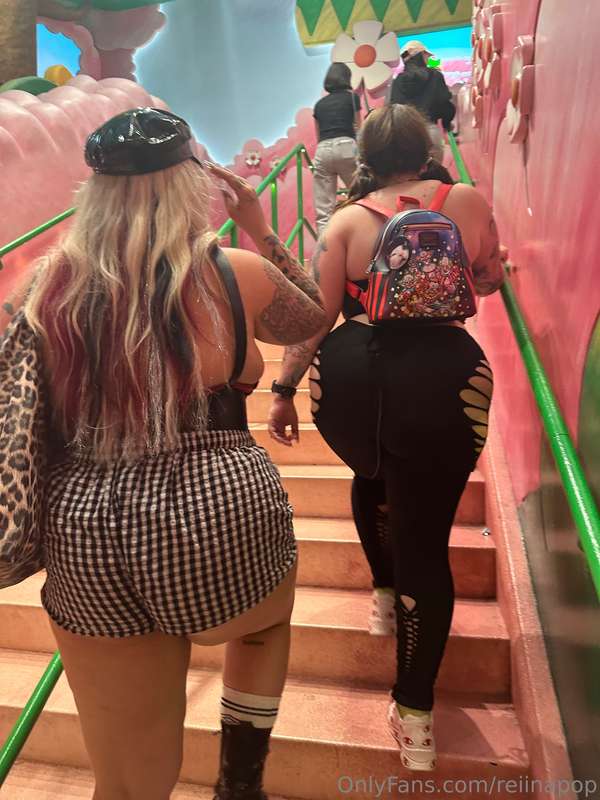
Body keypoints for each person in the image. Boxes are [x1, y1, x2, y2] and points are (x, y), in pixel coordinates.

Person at [24, 108, 326, 800]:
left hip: (86, 529)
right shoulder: (235, 273)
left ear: (94, 193)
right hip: (217, 508)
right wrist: (257, 225)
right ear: (192, 182)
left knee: (128, 783)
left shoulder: (46, 289)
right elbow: (312, 316)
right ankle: (239, 783)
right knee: (263, 623)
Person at [267, 104, 504, 772]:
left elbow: (316, 316)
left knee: (371, 472)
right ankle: (416, 715)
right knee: (427, 546)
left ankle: (381, 594)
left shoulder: (344, 221)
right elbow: (487, 277)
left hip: (354, 376)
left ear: (365, 157)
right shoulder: (466, 201)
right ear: (427, 149)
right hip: (448, 376)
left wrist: (284, 387)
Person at [312, 62, 361, 234]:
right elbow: (359, 128)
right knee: (360, 196)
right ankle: (360, 237)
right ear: (347, 78)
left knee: (324, 209)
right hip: (346, 146)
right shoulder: (352, 98)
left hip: (323, 149)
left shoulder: (319, 104)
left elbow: (318, 135)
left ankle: (324, 247)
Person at [389, 40, 455, 162]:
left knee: (412, 172)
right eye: (425, 54)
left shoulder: (398, 80)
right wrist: (447, 123)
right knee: (434, 171)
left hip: (407, 136)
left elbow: (393, 109)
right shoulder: (435, 75)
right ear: (420, 55)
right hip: (430, 132)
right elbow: (444, 103)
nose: (428, 58)